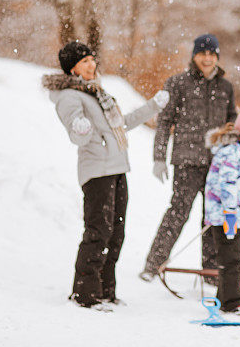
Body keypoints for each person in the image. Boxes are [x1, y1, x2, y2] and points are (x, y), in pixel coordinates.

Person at [42, 41, 168, 309]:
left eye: (91, 59)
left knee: (115, 233)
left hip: (117, 168)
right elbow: (76, 134)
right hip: (97, 171)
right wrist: (81, 129)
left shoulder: (96, 93)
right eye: (85, 61)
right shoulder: (69, 97)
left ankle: (105, 291)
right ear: (73, 67)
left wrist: (153, 106)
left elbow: (121, 124)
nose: (92, 64)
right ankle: (85, 295)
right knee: (98, 231)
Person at [140, 34, 237, 281]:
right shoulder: (178, 83)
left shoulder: (225, 87)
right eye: (202, 53)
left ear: (217, 57)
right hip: (186, 160)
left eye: (212, 54)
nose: (207, 58)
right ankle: (153, 265)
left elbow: (232, 122)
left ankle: (211, 271)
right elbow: (164, 122)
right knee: (178, 212)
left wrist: (234, 151)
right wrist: (159, 157)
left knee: (212, 217)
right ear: (194, 56)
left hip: (217, 164)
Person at [203, 99, 240, 314]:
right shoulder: (232, 151)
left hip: (230, 215)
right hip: (226, 216)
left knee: (233, 257)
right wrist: (229, 213)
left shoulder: (239, 149)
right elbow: (226, 184)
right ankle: (233, 302)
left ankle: (223, 298)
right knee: (232, 259)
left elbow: (234, 179)